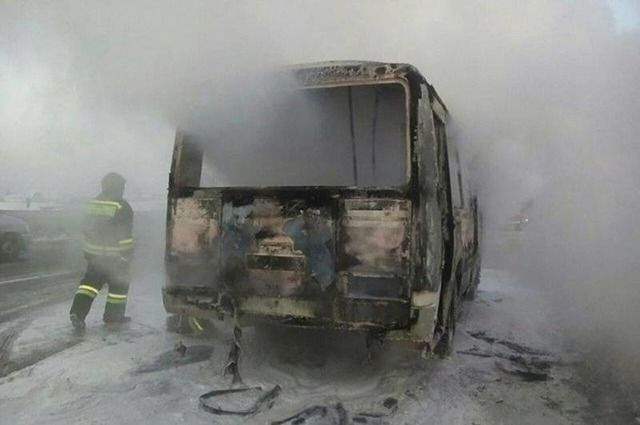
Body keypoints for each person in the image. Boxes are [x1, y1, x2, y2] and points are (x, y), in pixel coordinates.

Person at [69, 172, 134, 331]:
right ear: (117, 188)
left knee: (89, 285)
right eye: (122, 187)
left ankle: (77, 313)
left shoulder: (92, 204)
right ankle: (113, 318)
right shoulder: (122, 206)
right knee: (119, 286)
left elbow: (85, 228)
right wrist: (127, 255)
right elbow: (124, 235)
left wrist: (90, 250)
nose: (123, 190)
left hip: (94, 255)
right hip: (115, 257)